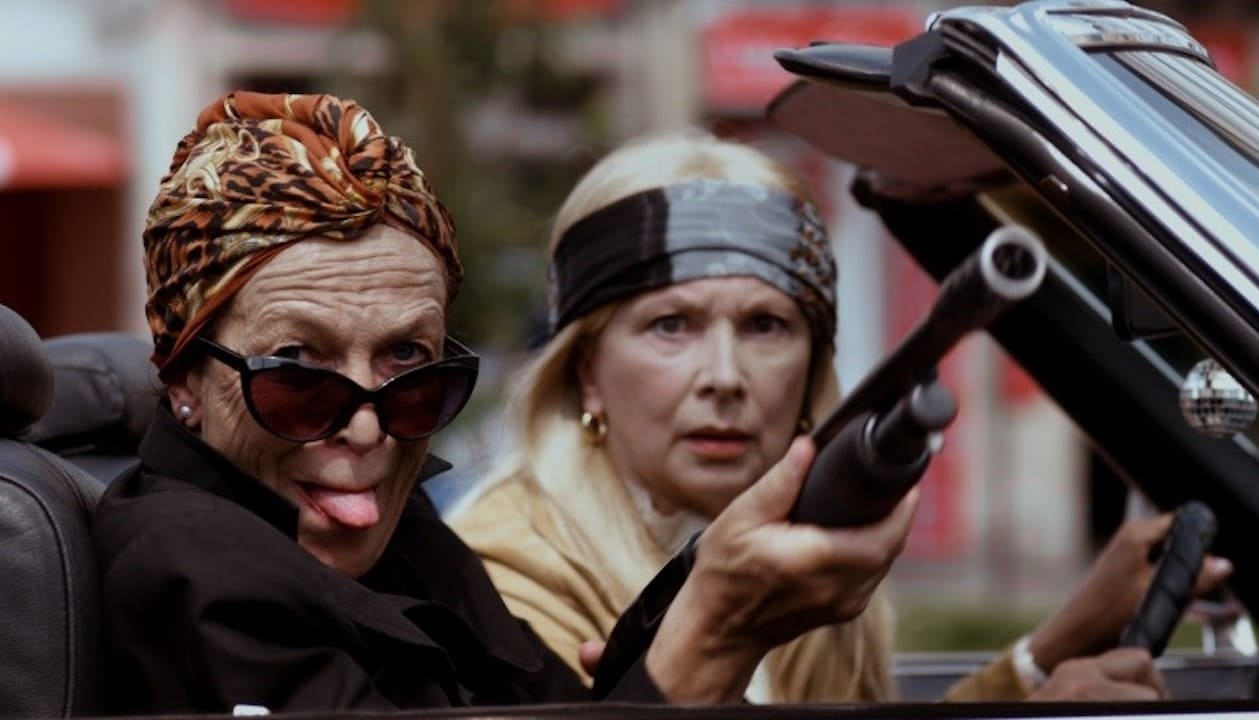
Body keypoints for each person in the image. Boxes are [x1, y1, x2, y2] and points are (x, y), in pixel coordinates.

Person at [90, 92, 920, 714]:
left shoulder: (405, 539)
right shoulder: (195, 576)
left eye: (409, 364)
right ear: (184, 380)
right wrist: (716, 633)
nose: (369, 425)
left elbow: (569, 706)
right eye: (299, 368)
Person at [449, 131, 1231, 703]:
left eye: (765, 326)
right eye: (671, 325)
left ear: (812, 373)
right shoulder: (507, 573)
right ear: (587, 372)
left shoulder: (806, 535)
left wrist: (1049, 652)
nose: (724, 378)